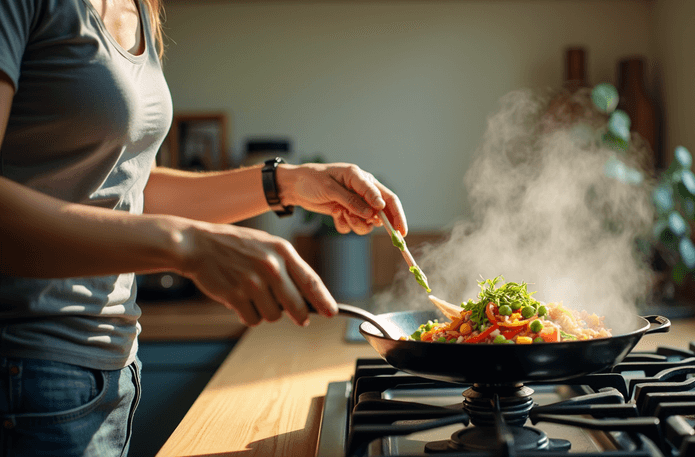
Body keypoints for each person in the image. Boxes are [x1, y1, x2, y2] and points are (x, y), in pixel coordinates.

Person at [0, 0, 408, 455]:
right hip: (26, 367)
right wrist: (183, 244)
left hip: (113, 363)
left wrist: (288, 183)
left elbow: (132, 187)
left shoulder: (142, 8)